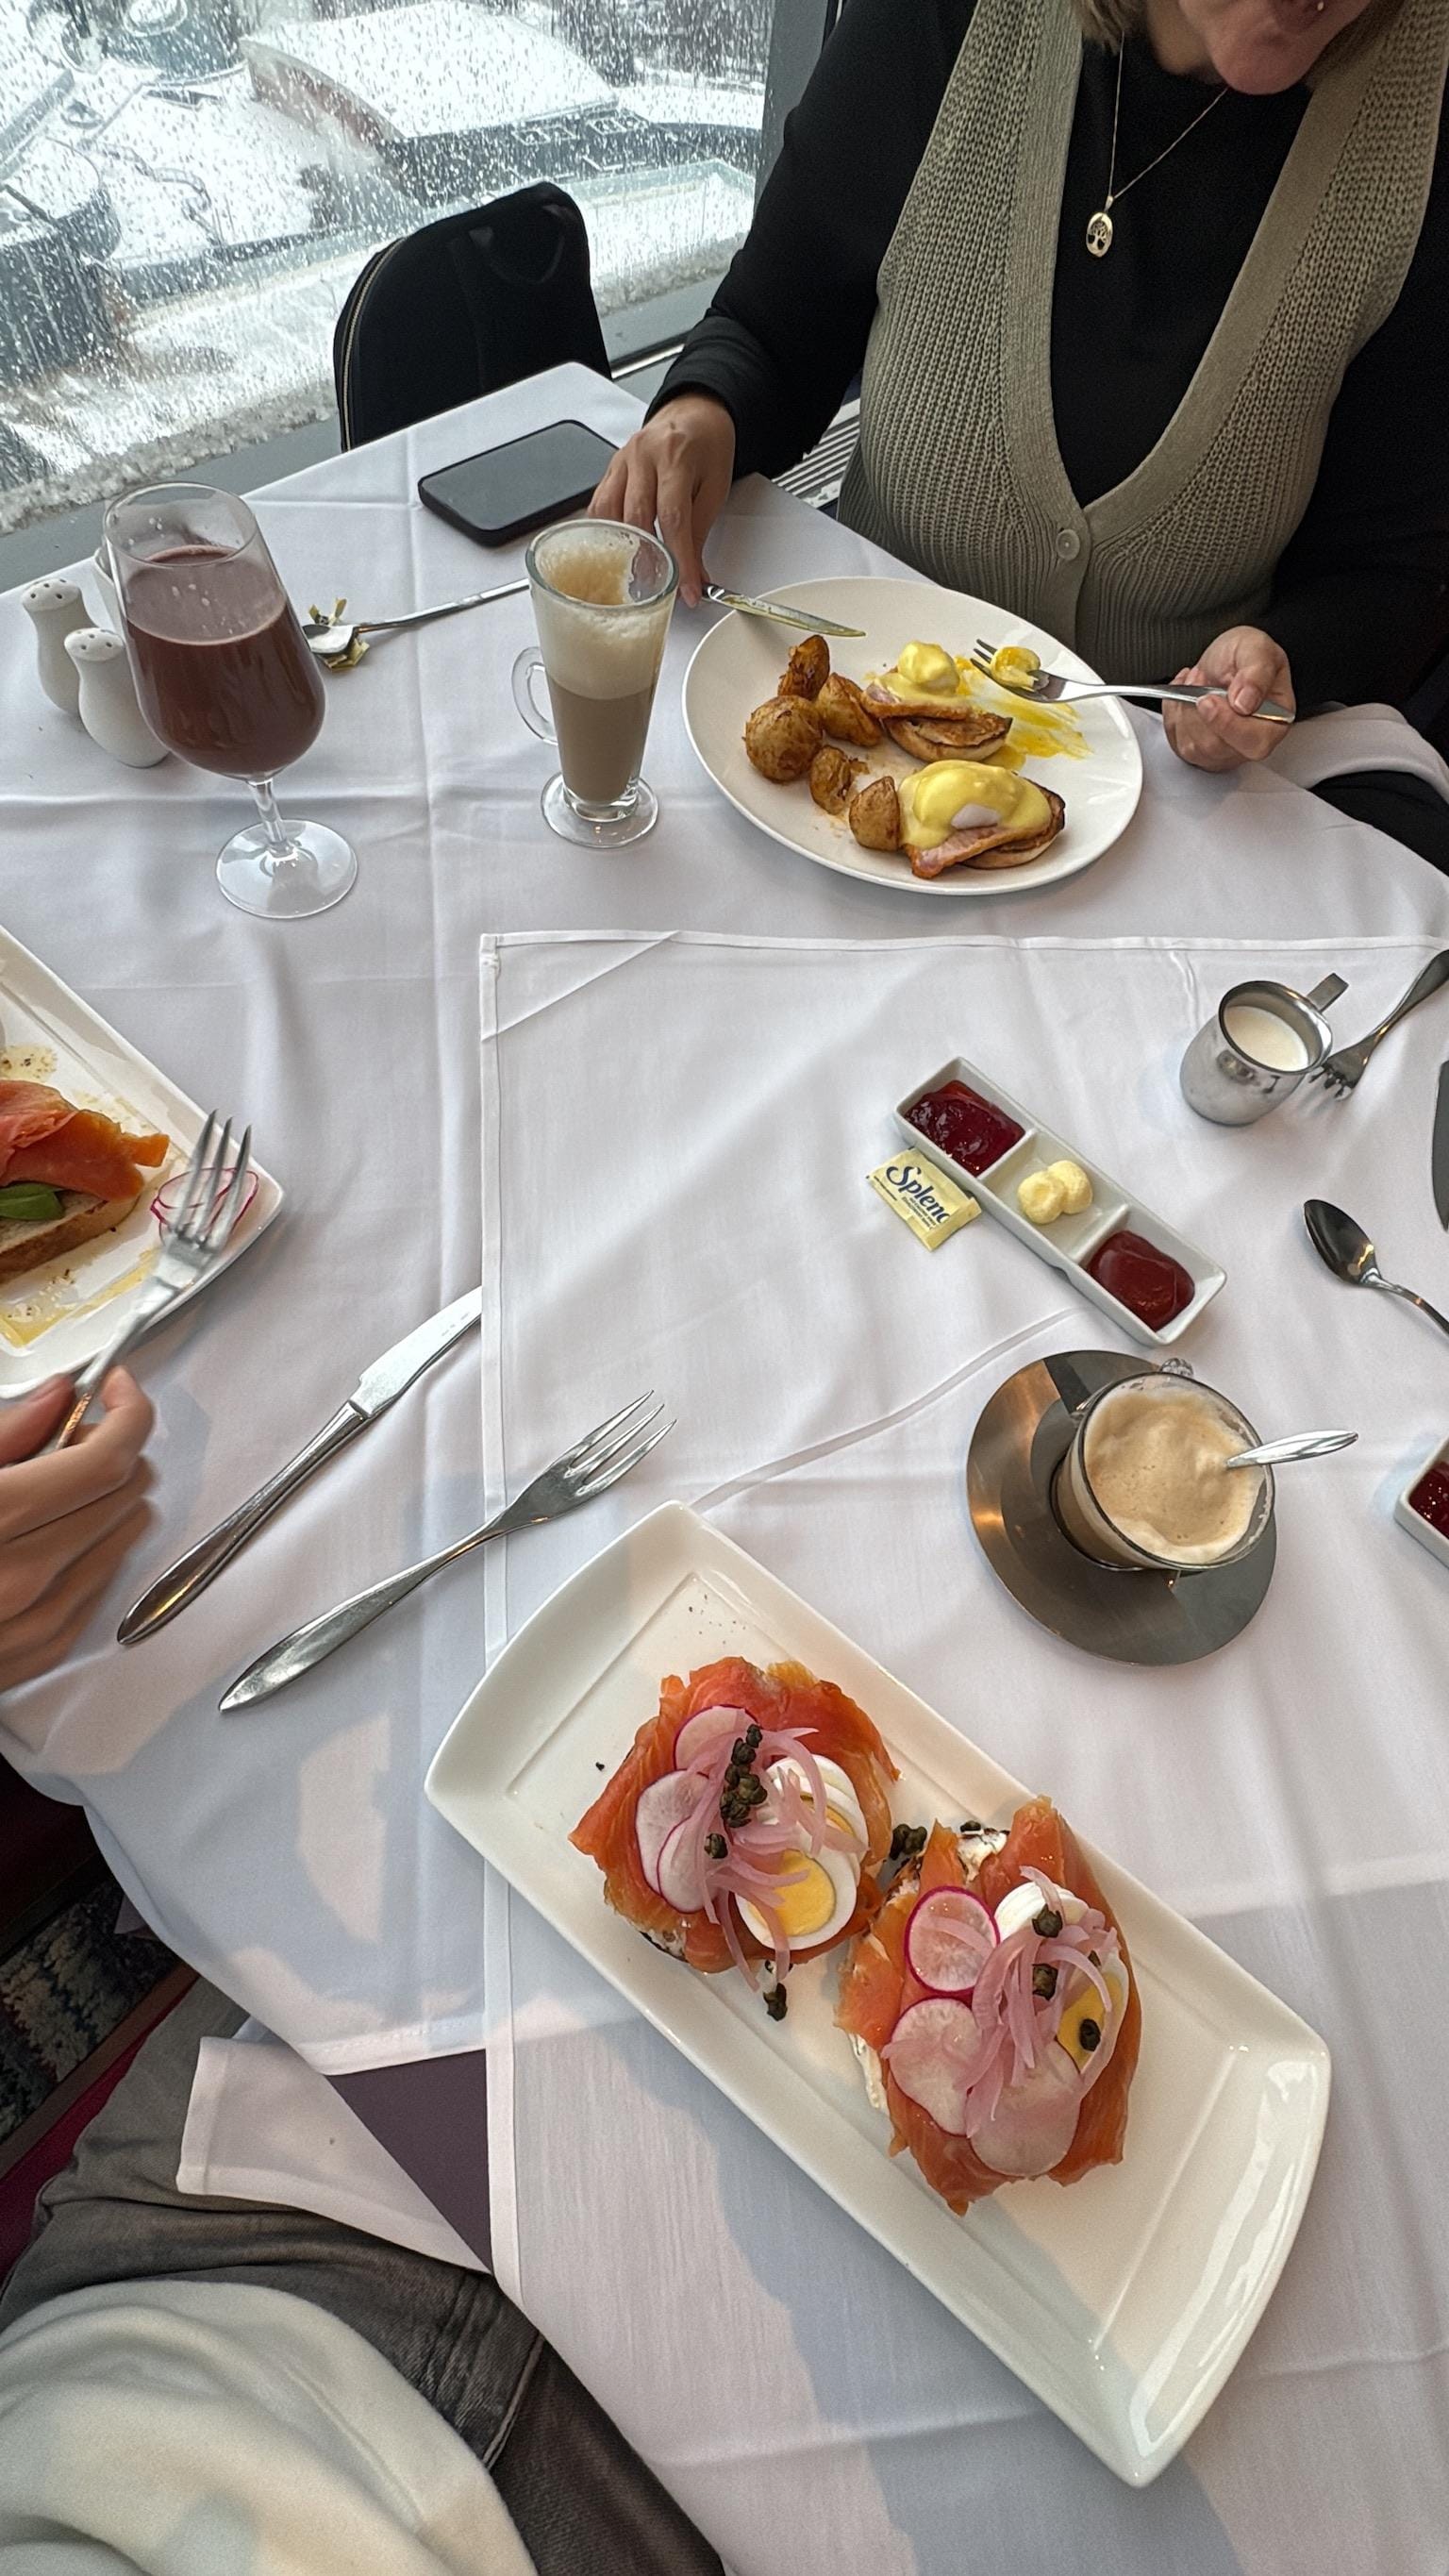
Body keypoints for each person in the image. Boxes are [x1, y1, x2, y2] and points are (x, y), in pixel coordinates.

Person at [592, 0, 1449, 861]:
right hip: (858, 744)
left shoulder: (1427, 109)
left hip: (1183, 813)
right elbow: (775, 329)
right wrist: (705, 411)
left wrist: (1285, 656)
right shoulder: (945, 18)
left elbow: (1389, 567)